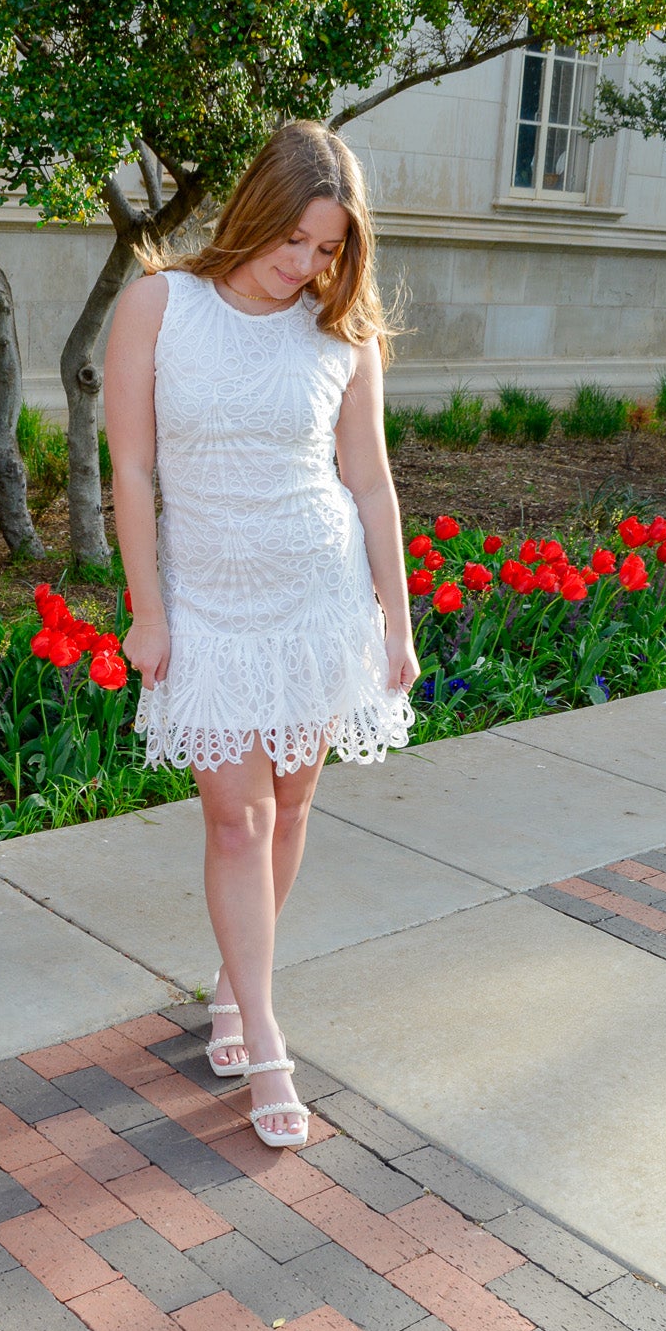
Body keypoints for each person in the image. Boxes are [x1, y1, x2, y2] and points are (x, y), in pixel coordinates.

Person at [105, 120, 419, 1148]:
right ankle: (270, 1041)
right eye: (293, 240)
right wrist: (148, 611)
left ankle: (242, 990)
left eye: (327, 248)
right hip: (211, 610)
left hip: (316, 602)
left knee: (287, 812)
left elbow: (370, 483)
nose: (305, 265)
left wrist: (395, 623)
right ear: (253, 213)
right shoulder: (161, 305)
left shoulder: (342, 330)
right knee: (233, 819)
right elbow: (134, 472)